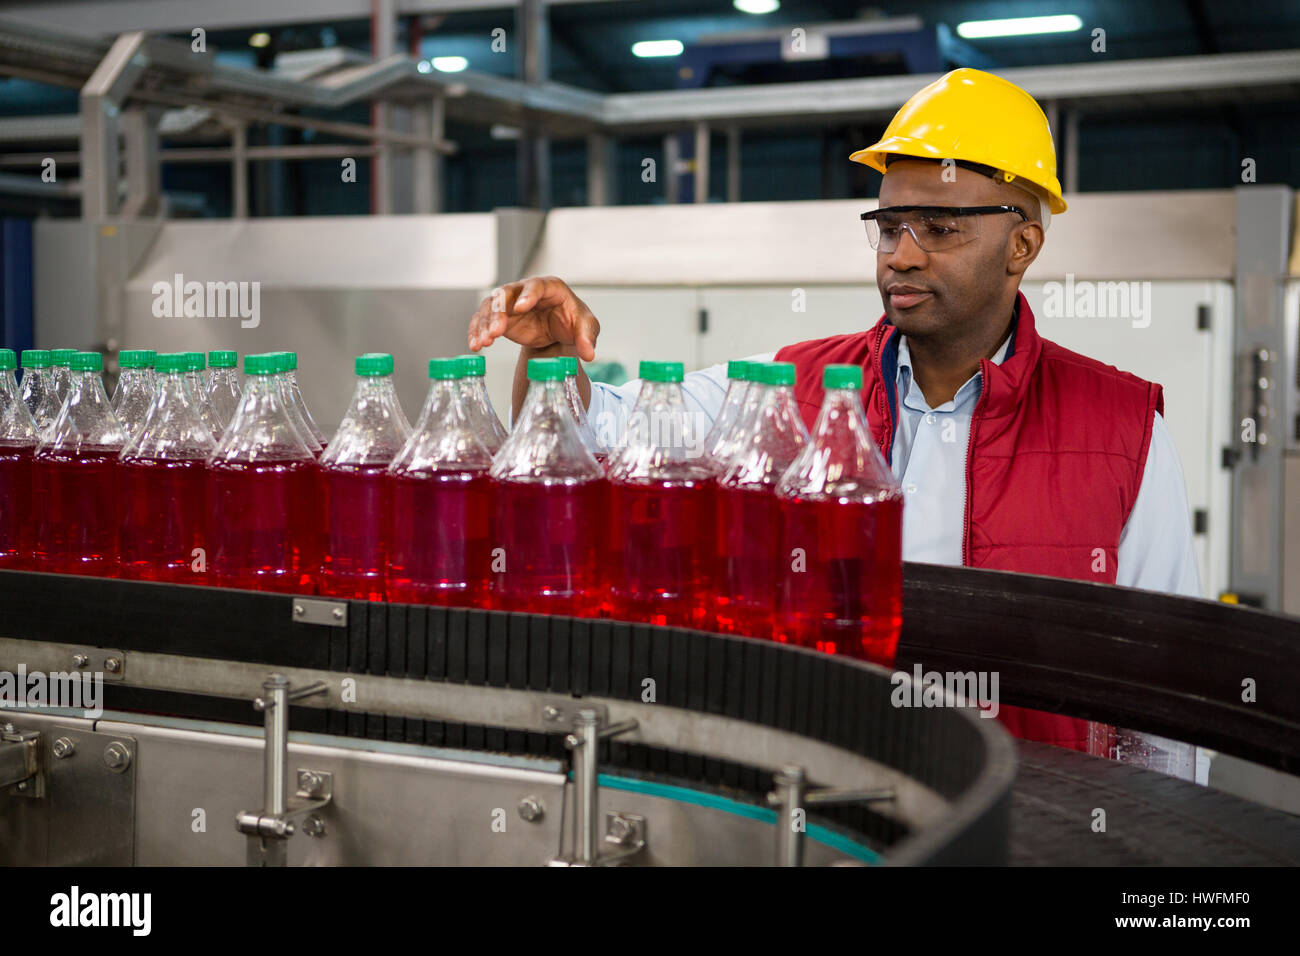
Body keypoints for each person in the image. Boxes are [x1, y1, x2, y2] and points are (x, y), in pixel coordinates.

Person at [466, 68, 1201, 752]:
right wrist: (554, 356)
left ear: (1022, 245)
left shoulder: (1121, 429)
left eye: (939, 230)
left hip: (1033, 822)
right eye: (889, 227)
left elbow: (1166, 689)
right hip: (836, 802)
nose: (900, 257)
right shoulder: (792, 388)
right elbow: (596, 438)